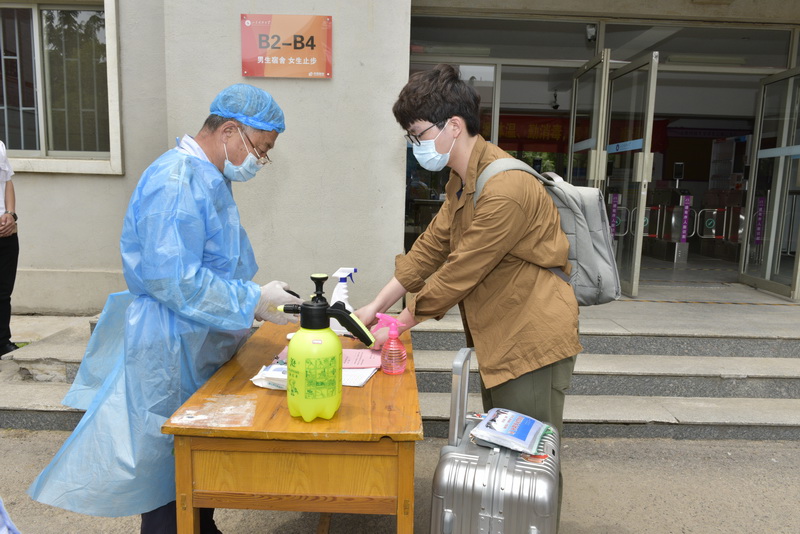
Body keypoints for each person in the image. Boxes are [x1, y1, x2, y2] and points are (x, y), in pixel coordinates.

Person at [28, 83, 303, 534]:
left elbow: (212, 262)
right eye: (260, 148)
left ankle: (201, 526)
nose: (260, 160)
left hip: (197, 334)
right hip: (171, 341)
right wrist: (250, 300)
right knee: (165, 460)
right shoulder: (175, 181)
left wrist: (253, 297)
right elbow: (172, 278)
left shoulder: (207, 177)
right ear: (229, 131)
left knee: (194, 455)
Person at [356, 64, 582, 528]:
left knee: (530, 459)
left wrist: (400, 322)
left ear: (453, 126)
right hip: (500, 333)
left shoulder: (506, 188)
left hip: (531, 339)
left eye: (418, 134)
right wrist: (375, 306)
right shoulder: (462, 179)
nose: (414, 145)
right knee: (501, 454)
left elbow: (462, 269)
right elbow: (430, 249)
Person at [0, 140, 18, 357]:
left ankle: (3, 342)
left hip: (5, 229)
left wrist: (11, 214)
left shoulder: (0, 146)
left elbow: (7, 181)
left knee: (4, 292)